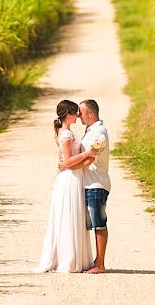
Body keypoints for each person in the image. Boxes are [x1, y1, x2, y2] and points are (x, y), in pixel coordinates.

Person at [35, 100, 99, 273]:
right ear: (68, 115)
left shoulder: (64, 133)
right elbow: (69, 161)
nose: (78, 115)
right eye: (75, 113)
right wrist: (88, 153)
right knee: (70, 214)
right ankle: (69, 258)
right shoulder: (66, 135)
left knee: (71, 214)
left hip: (72, 176)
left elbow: (66, 161)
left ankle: (73, 257)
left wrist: (68, 162)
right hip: (70, 178)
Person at [60, 98, 111, 274]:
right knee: (91, 223)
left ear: (90, 113)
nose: (79, 116)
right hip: (88, 183)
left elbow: (89, 160)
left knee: (99, 223)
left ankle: (101, 264)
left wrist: (67, 165)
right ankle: (95, 260)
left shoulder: (99, 133)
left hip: (96, 183)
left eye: (81, 112)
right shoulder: (90, 131)